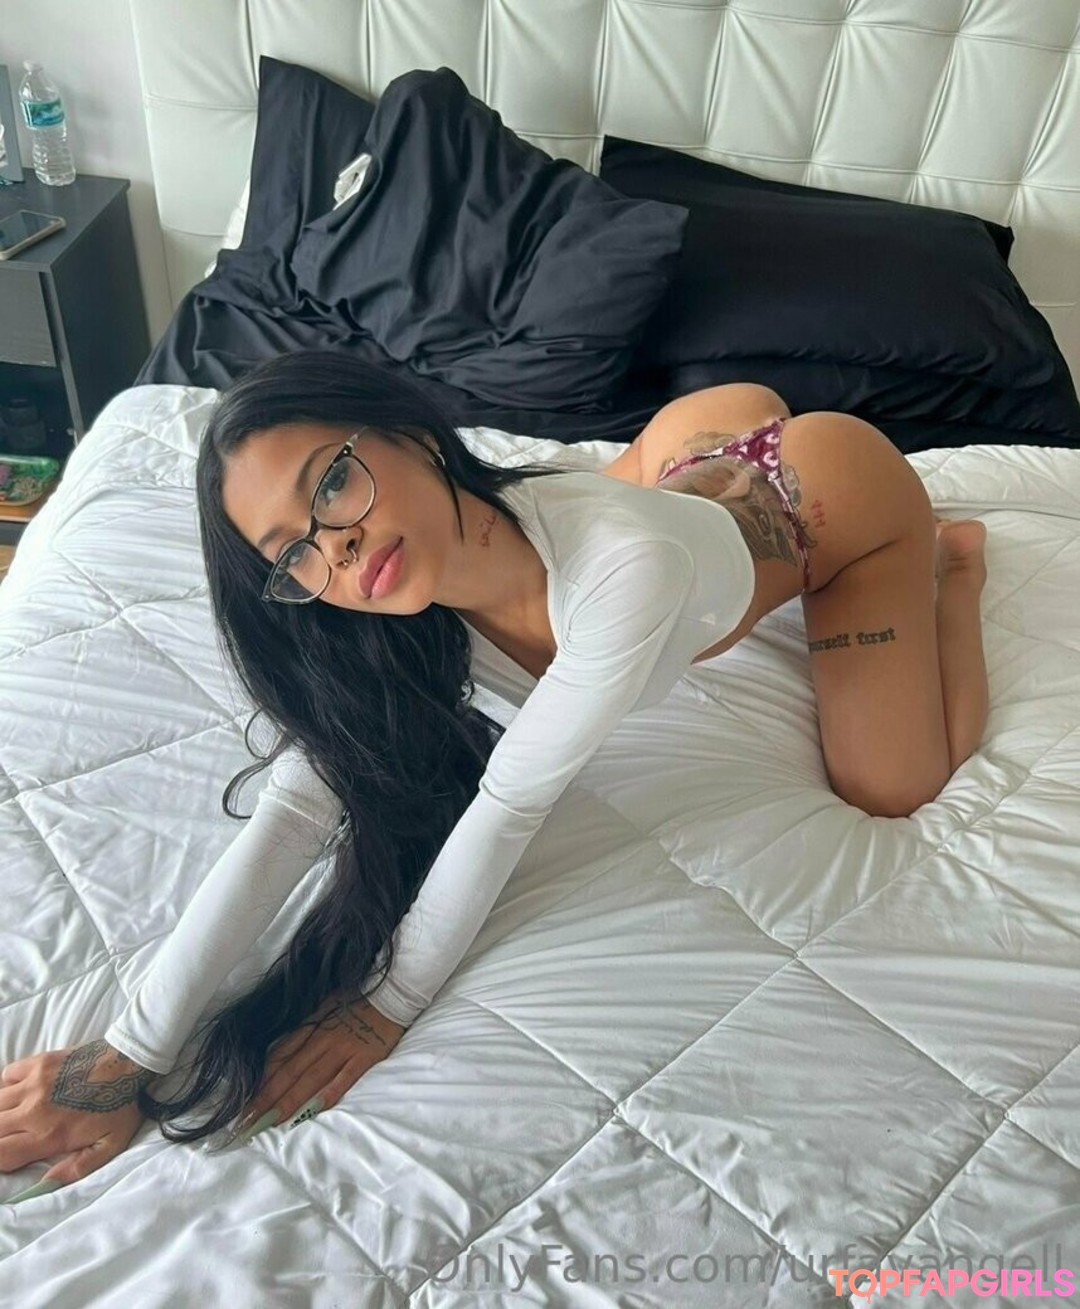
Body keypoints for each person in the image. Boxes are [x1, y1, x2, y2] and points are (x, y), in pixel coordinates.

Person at [0, 350, 989, 1196]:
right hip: (693, 448)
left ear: (410, 433)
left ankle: (957, 577)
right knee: (621, 509)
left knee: (891, 788)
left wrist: (386, 1008)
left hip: (828, 501)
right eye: (294, 552)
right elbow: (299, 809)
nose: (336, 545)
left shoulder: (624, 571)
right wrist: (125, 1055)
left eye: (332, 483)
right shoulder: (401, 602)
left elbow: (510, 802)